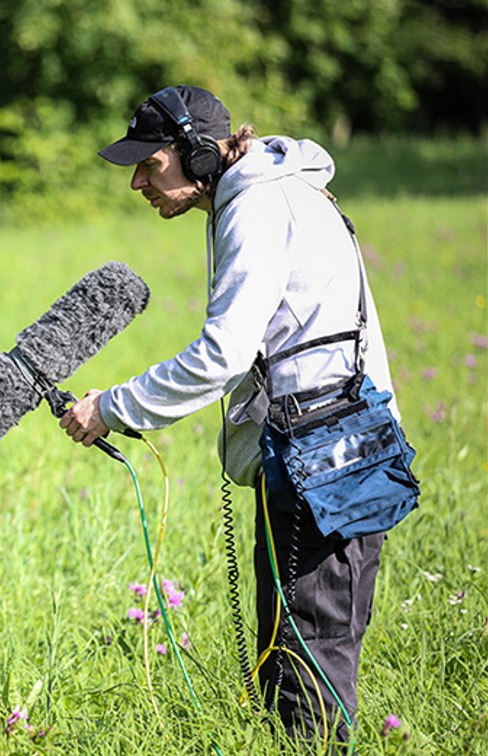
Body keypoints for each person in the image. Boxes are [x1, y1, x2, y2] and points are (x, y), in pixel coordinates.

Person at [59, 85, 402, 744]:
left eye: (148, 163)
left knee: (309, 657)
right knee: (293, 648)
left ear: (192, 151)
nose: (135, 181)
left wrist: (114, 407)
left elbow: (220, 354)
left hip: (320, 447)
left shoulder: (257, 205)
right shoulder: (283, 192)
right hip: (339, 438)